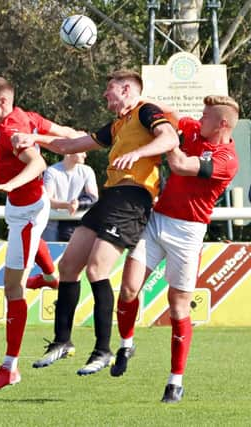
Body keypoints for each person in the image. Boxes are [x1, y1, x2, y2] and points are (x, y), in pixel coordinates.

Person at [13, 69, 179, 375]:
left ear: (127, 89)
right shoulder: (118, 124)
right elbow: (68, 145)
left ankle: (103, 350)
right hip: (110, 197)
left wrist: (139, 153)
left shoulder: (146, 112)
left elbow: (170, 137)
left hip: (133, 199)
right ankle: (62, 341)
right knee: (68, 267)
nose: (105, 96)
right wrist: (33, 137)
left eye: (110, 91)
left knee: (97, 269)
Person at [112, 95, 239, 403]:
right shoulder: (196, 129)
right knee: (128, 289)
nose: (200, 119)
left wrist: (169, 140)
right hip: (158, 221)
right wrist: (136, 100)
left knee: (178, 306)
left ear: (222, 124)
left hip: (188, 232)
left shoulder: (226, 158)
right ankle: (127, 344)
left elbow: (180, 165)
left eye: (206, 115)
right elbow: (169, 115)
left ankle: (175, 382)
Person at [0, 77, 84, 391]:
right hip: (27, 208)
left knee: (13, 289)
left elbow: (37, 163)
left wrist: (10, 185)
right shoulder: (25, 117)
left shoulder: (12, 130)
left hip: (26, 214)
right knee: (29, 268)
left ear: (3, 102)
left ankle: (10, 368)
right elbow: (62, 131)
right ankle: (51, 277)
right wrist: (91, 137)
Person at [42, 152, 98, 242]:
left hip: (79, 223)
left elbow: (93, 197)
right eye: (82, 151)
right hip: (53, 224)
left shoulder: (88, 171)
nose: (85, 155)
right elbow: (47, 199)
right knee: (50, 254)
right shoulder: (51, 171)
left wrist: (78, 204)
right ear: (68, 153)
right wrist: (68, 205)